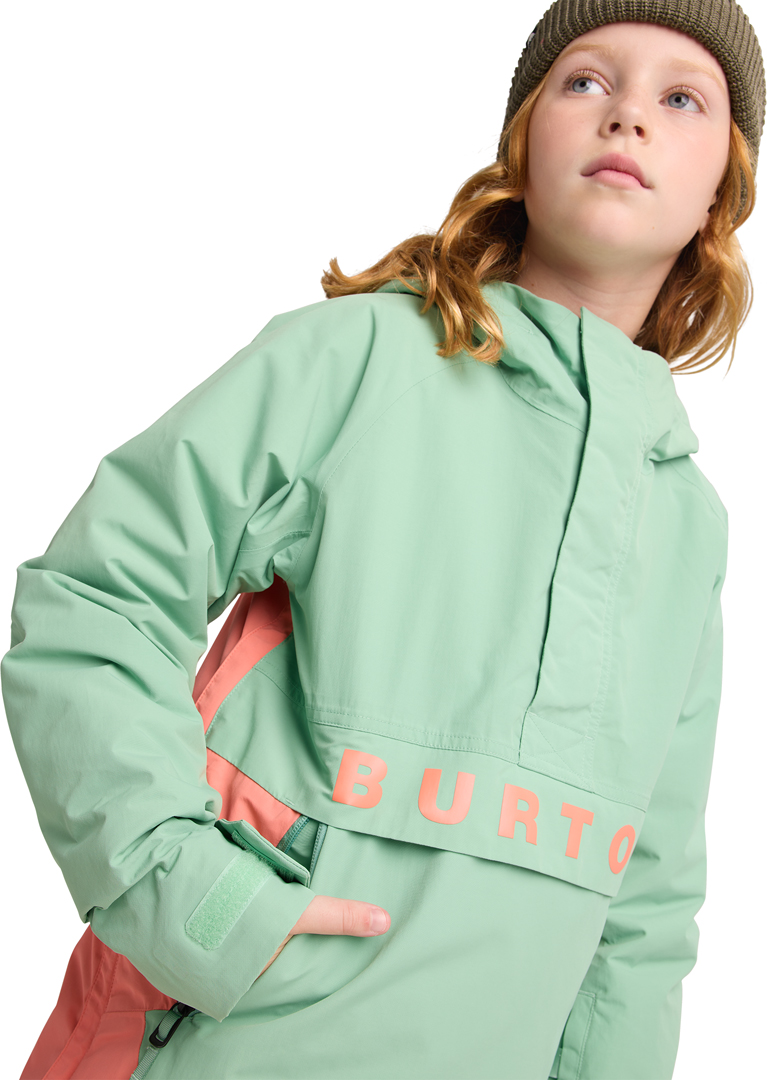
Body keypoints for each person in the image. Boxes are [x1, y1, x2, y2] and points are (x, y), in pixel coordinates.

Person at [2, 0, 764, 1077]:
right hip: (226, 1043)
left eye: (681, 99)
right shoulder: (354, 361)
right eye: (585, 81)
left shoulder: (688, 521)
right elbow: (95, 597)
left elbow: (646, 896)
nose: (627, 115)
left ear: (721, 192)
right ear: (519, 146)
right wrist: (192, 900)